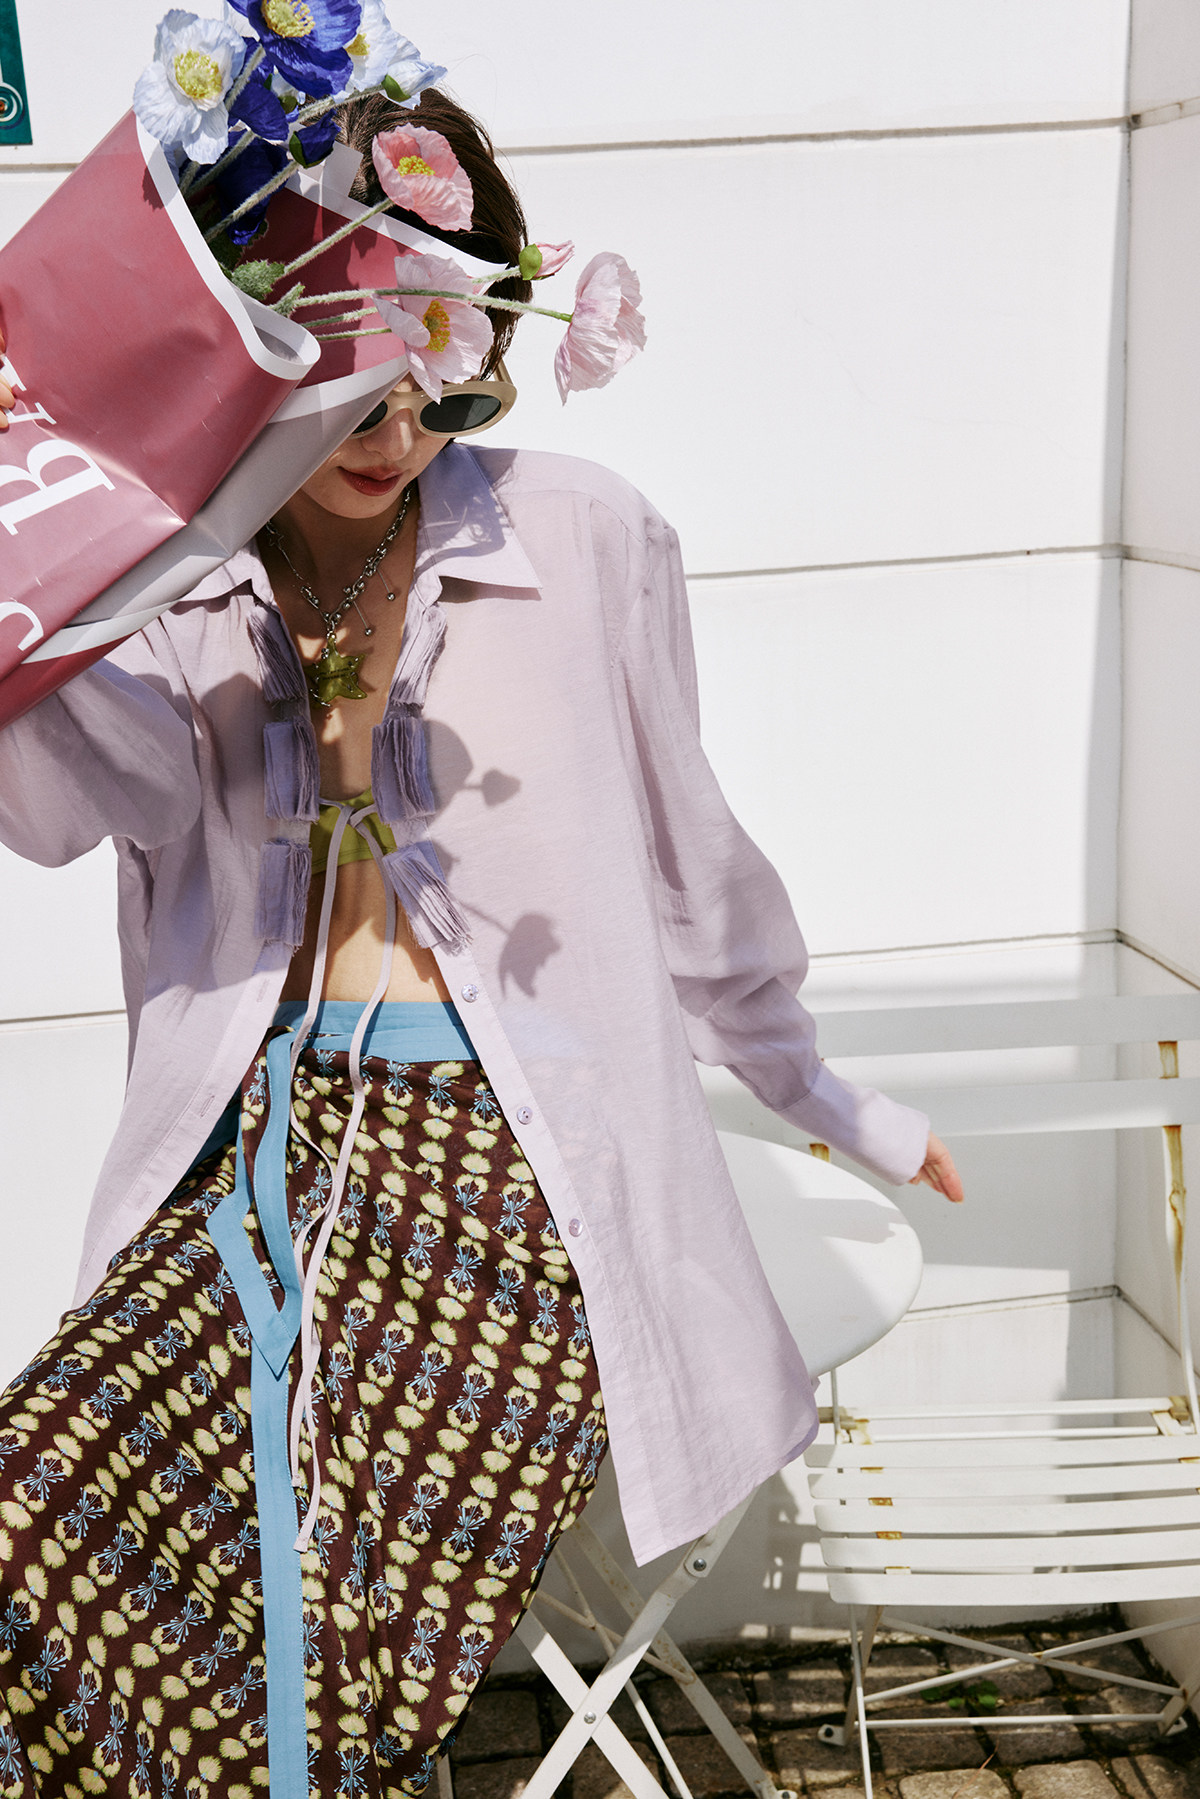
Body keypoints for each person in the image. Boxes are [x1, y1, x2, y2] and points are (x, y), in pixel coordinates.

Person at [0, 85, 962, 1799]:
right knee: (43, 1485)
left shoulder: (583, 535)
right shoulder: (177, 586)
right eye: (341, 370)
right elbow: (82, 807)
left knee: (353, 1561)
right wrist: (55, 590)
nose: (395, 424)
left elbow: (693, 863)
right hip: (248, 1149)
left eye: (435, 362)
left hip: (513, 1168)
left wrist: (826, 1097)